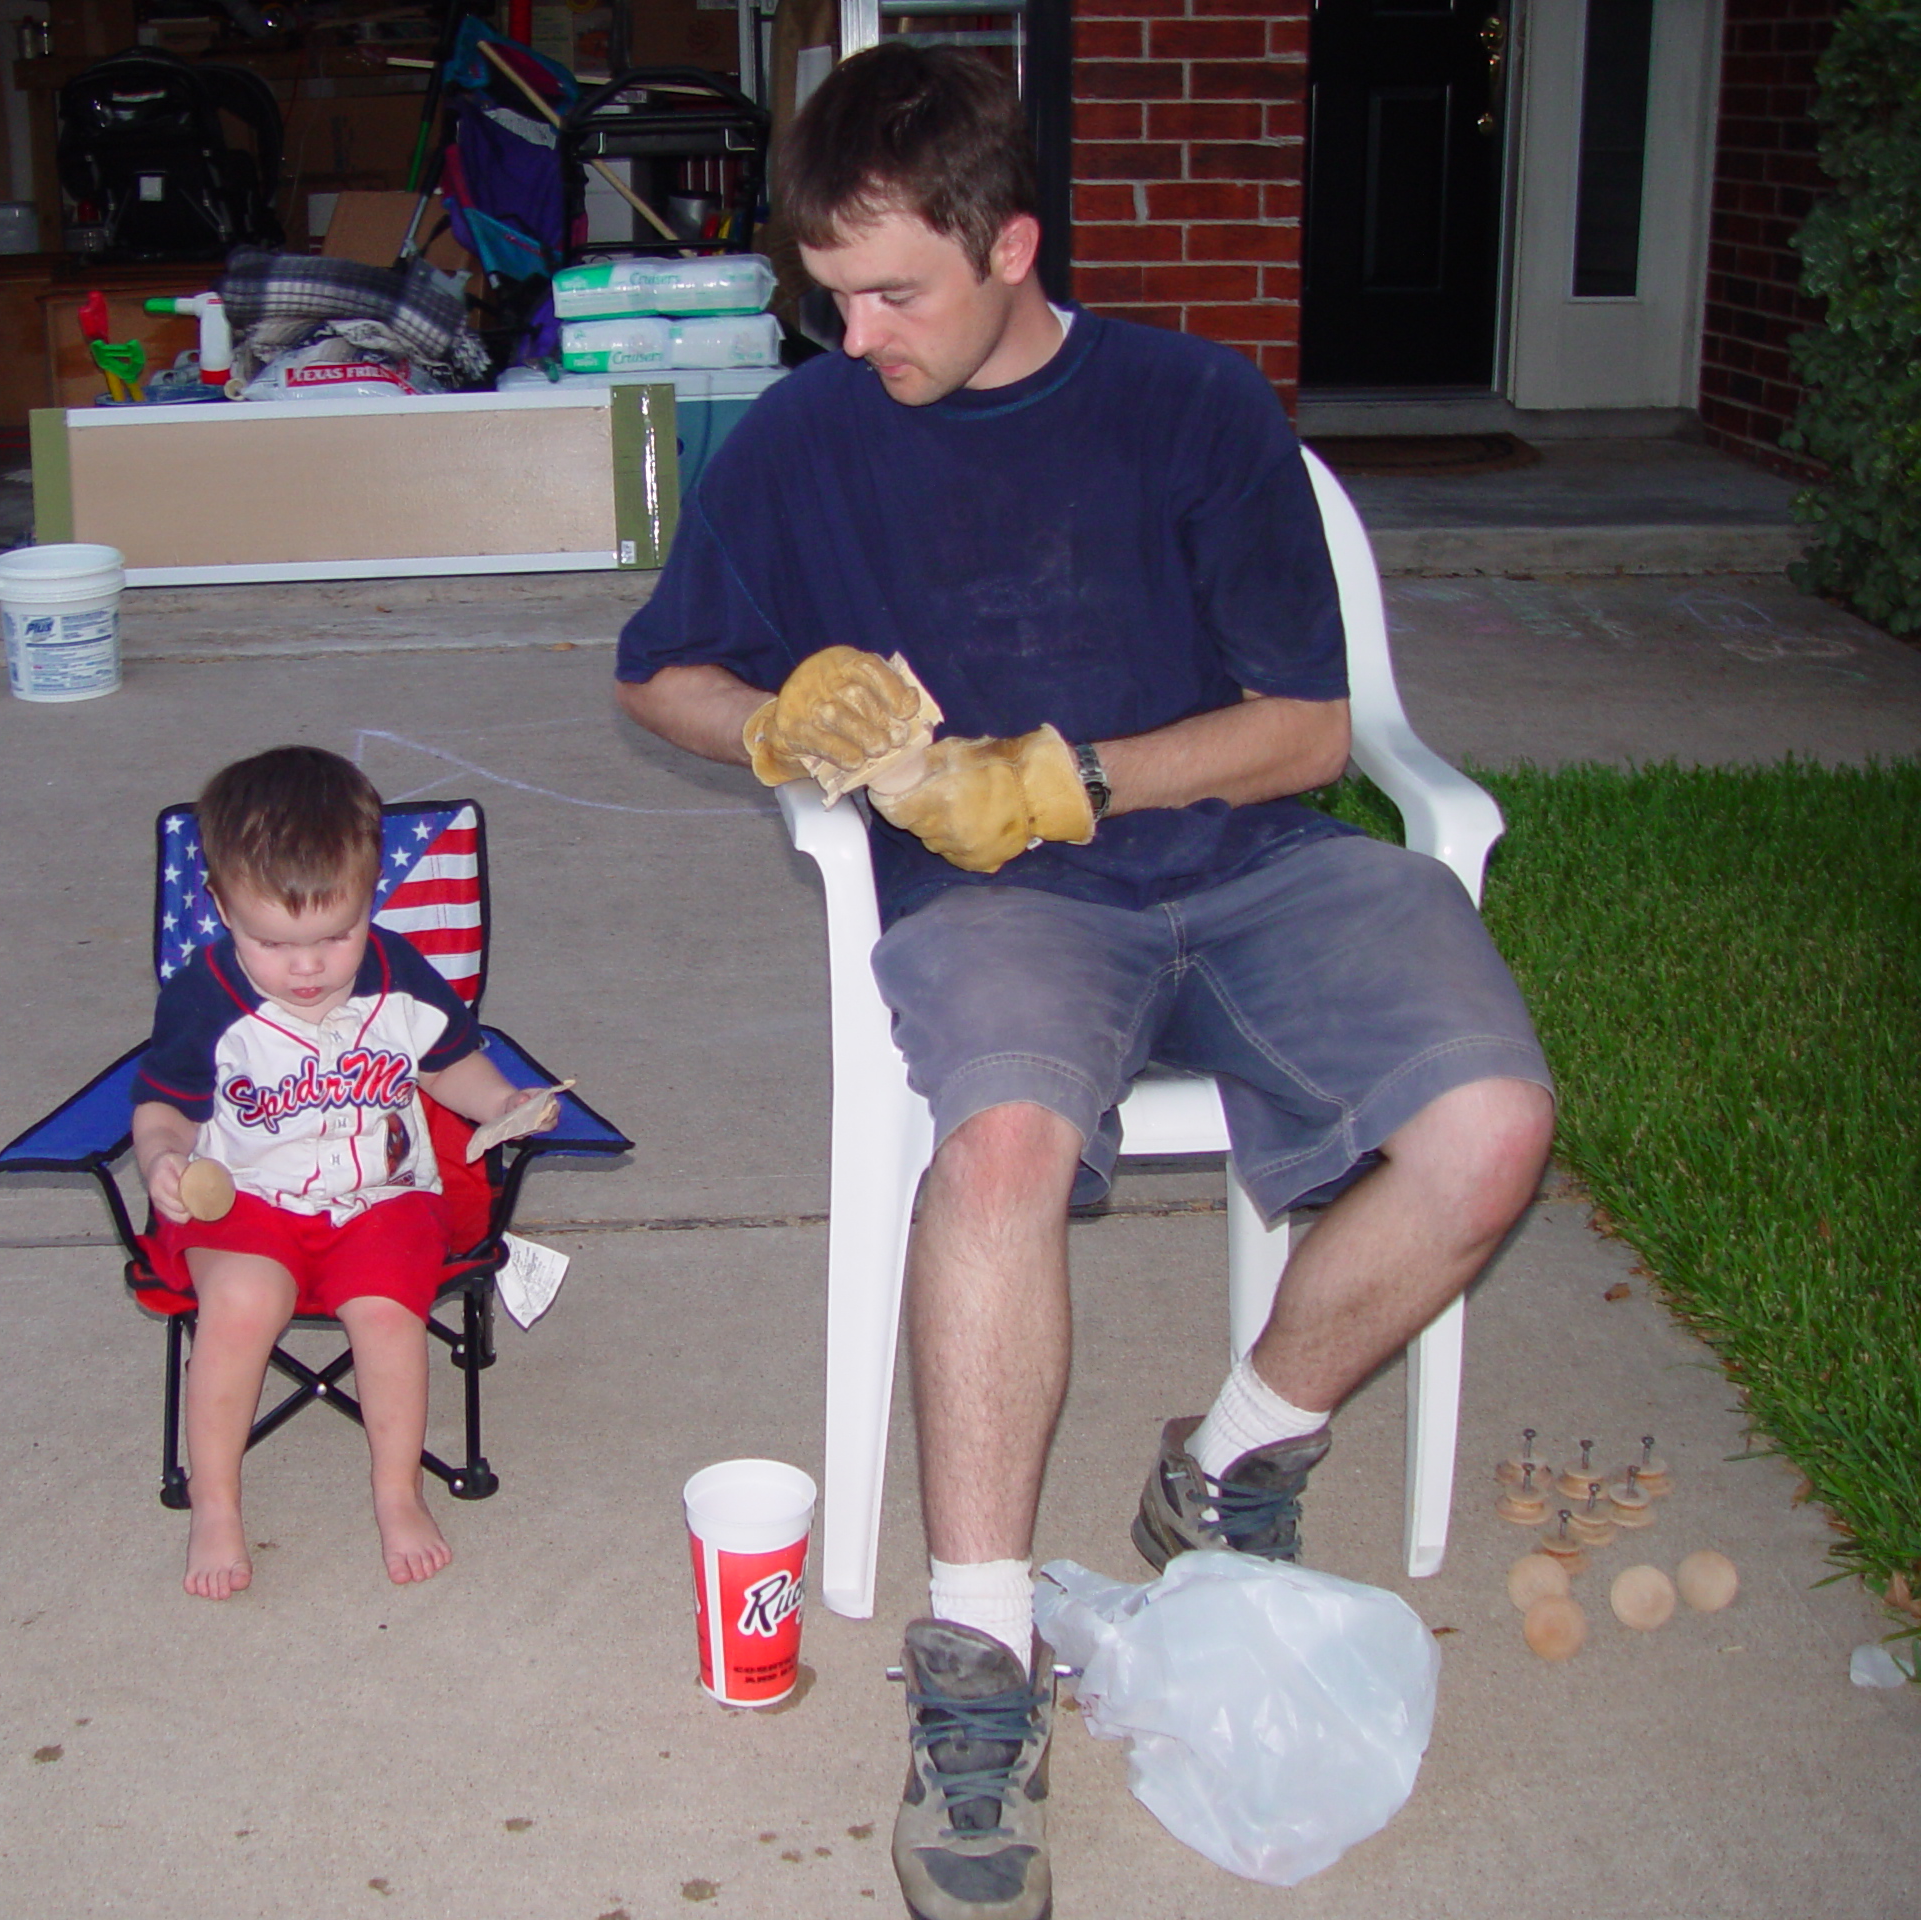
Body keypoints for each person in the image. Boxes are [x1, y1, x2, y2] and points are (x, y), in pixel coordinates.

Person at [613, 44, 1554, 1920]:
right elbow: (659, 671)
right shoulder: (808, 438)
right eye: (831, 292)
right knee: (1000, 1151)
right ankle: (977, 1658)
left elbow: (1302, 734)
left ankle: (1237, 1455)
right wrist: (781, 724)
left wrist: (1073, 775)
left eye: (897, 293)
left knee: (1493, 1126)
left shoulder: (1197, 407)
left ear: (1016, 244)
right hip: (1005, 917)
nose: (857, 330)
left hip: (1256, 869)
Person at [129, 746, 554, 1601]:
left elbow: (448, 1067)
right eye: (274, 943)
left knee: (387, 1315)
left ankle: (396, 1493)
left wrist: (503, 1103)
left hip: (380, 1198)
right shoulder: (202, 998)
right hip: (245, 1198)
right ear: (218, 907)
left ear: (372, 901)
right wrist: (163, 1161)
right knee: (243, 1302)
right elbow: (162, 1108)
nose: (309, 967)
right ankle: (216, 1503)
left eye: (337, 934)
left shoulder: (399, 974)